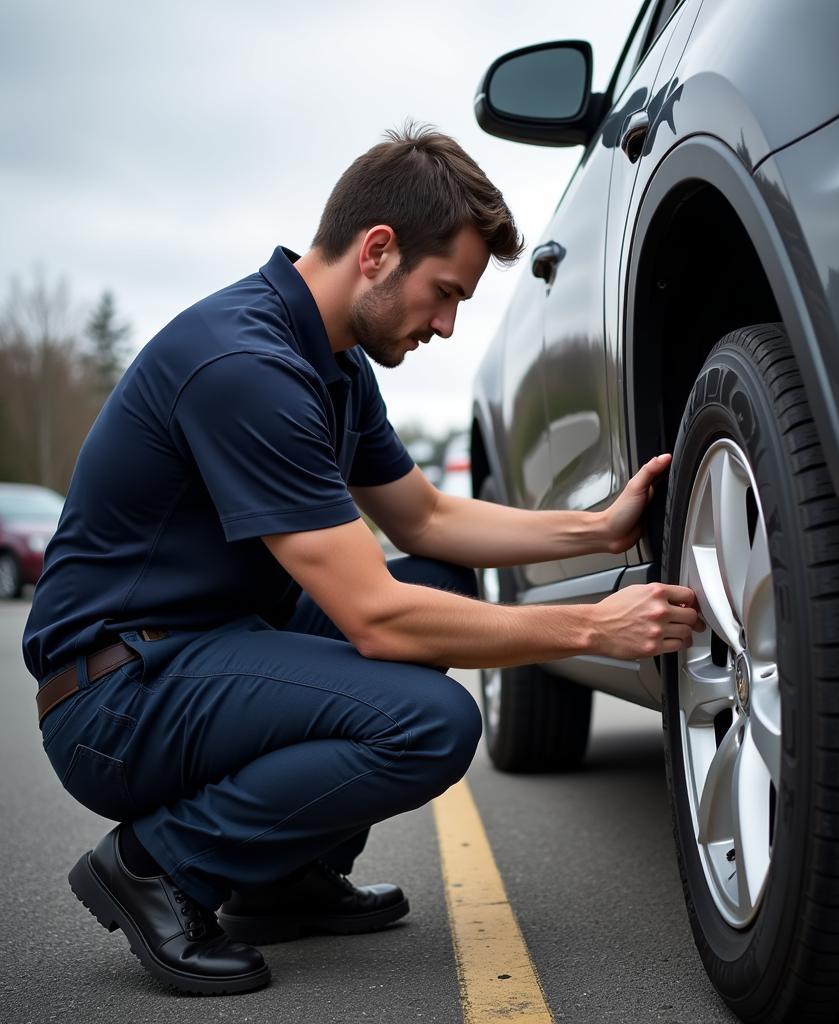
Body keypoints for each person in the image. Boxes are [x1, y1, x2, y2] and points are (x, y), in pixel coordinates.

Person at [23, 124, 704, 995]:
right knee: (432, 721)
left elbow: (424, 520)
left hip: (200, 647)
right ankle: (158, 863)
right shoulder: (246, 365)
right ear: (377, 251)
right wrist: (589, 628)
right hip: (115, 697)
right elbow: (376, 621)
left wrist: (598, 529)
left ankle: (279, 878)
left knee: (437, 585)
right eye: (444, 292)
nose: (449, 325)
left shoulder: (336, 365)